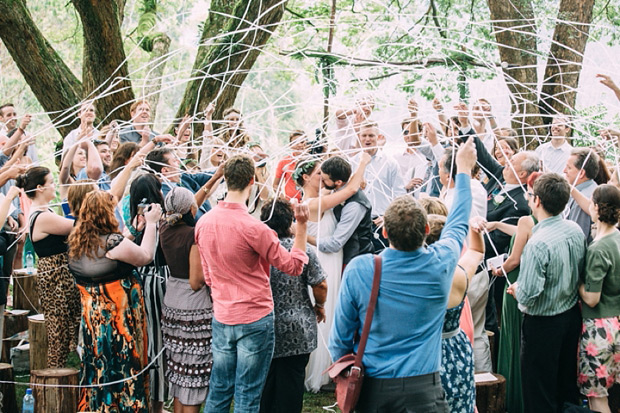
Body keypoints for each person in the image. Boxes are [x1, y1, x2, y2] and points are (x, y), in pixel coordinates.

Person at [329, 138, 476, 412]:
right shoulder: (441, 263)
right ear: (426, 232)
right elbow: (458, 222)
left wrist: (347, 372)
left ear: (384, 232)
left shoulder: (361, 269)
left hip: (373, 389)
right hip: (425, 392)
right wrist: (464, 171)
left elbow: (339, 338)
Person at [195, 155, 310, 413]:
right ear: (252, 181)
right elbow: (293, 267)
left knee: (219, 389)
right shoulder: (254, 228)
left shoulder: (204, 222)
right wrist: (301, 227)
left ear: (225, 179)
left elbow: (208, 274)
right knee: (247, 394)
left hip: (223, 314)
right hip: (254, 318)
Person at [68, 191, 162, 413]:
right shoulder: (111, 242)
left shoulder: (77, 243)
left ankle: (100, 406)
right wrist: (151, 224)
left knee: (100, 366)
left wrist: (132, 231)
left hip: (94, 323)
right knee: (124, 367)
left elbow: (110, 255)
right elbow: (145, 255)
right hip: (121, 324)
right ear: (105, 214)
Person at [507, 173, 586, 412]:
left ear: (537, 201)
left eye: (530, 195)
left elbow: (529, 294)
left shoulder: (538, 242)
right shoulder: (575, 230)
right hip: (571, 317)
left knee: (539, 393)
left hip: (542, 324)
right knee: (565, 388)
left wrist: (517, 289)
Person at [294, 153, 370, 392]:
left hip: (331, 259)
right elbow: (349, 190)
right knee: (323, 308)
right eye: (319, 173)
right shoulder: (314, 203)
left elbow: (348, 188)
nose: (321, 177)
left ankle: (326, 364)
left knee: (332, 307)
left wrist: (351, 178)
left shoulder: (324, 196)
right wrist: (363, 164)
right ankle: (316, 368)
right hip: (324, 259)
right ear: (306, 178)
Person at [259, 198, 327, 413]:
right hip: (297, 326)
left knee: (266, 384)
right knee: (292, 383)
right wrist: (320, 305)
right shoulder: (302, 248)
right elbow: (321, 284)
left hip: (264, 323)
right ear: (290, 221)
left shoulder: (258, 249)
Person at [485, 171, 542, 413]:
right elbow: (522, 233)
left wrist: (499, 270)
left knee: (512, 338)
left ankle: (514, 399)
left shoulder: (526, 220)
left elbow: (514, 259)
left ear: (535, 197)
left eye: (529, 193)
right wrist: (498, 224)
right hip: (530, 284)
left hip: (515, 282)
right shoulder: (545, 220)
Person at [15, 166, 81, 368]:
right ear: (39, 188)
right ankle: (54, 380)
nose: (54, 186)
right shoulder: (43, 216)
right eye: (51, 182)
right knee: (58, 333)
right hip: (56, 280)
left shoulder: (46, 211)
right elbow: (78, 226)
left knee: (64, 329)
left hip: (60, 277)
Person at [159, 187, 213, 413]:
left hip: (172, 300)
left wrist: (212, 180)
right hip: (193, 305)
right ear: (191, 209)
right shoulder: (193, 235)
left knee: (180, 368)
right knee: (195, 370)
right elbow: (195, 281)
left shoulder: (163, 227)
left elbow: (186, 206)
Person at [426, 214, 484, 412]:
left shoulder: (412, 280)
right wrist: (473, 228)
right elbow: (476, 251)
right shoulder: (458, 275)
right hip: (455, 350)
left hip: (424, 351)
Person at [577, 184, 620, 413]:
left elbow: (592, 298)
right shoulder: (617, 238)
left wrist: (577, 283)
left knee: (597, 397)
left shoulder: (598, 248)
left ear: (595, 207)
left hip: (599, 329)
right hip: (618, 322)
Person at [353, 121, 406, 251]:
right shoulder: (352, 162)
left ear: (378, 137)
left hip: (381, 222)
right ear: (359, 137)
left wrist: (388, 216)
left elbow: (400, 194)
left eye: (371, 135)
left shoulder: (390, 163)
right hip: (357, 223)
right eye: (364, 135)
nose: (367, 139)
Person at [317, 156, 374, 265]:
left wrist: (305, 237)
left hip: (355, 260)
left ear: (338, 182)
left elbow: (335, 243)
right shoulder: (335, 190)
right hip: (339, 257)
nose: (321, 181)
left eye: (324, 179)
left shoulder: (354, 205)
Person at [564, 147, 600, 242]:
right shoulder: (591, 187)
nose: (564, 171)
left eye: (569, 168)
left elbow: (576, 240)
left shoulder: (581, 202)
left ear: (582, 173)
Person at [272, 130, 307, 201]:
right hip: (291, 202)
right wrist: (282, 198)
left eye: (302, 142)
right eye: (295, 142)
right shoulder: (284, 162)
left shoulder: (313, 160)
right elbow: (275, 185)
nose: (299, 145)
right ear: (290, 146)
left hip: (310, 201)